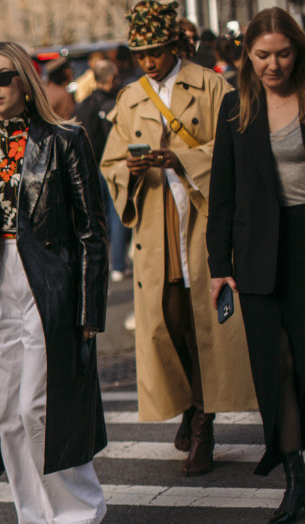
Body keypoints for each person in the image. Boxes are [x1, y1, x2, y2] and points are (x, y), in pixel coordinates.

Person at [0, 41, 110, 524]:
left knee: (39, 405)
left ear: (24, 81)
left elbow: (92, 231)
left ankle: (76, 514)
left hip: (49, 282)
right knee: (6, 413)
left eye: (2, 77)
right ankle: (36, 523)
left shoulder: (66, 140)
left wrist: (89, 309)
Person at [101, 0, 257, 477]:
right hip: (155, 220)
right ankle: (190, 405)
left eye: (155, 51)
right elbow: (109, 161)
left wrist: (181, 161)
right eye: (140, 53)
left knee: (204, 324)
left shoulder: (212, 85)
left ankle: (205, 425)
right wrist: (128, 168)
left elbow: (238, 148)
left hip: (202, 215)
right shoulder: (129, 98)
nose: (148, 61)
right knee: (168, 323)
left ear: (174, 44)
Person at [207, 8, 305, 524]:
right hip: (258, 253)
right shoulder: (234, 107)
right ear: (247, 54)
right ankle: (294, 477)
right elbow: (222, 193)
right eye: (263, 54)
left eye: (283, 53)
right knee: (276, 367)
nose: (273, 64)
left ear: (297, 50)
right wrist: (217, 264)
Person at [75, 59, 133, 281]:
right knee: (117, 212)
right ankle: (117, 262)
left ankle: (100, 263)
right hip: (110, 164)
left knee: (97, 217)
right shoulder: (113, 103)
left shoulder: (84, 104)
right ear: (110, 79)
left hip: (90, 166)